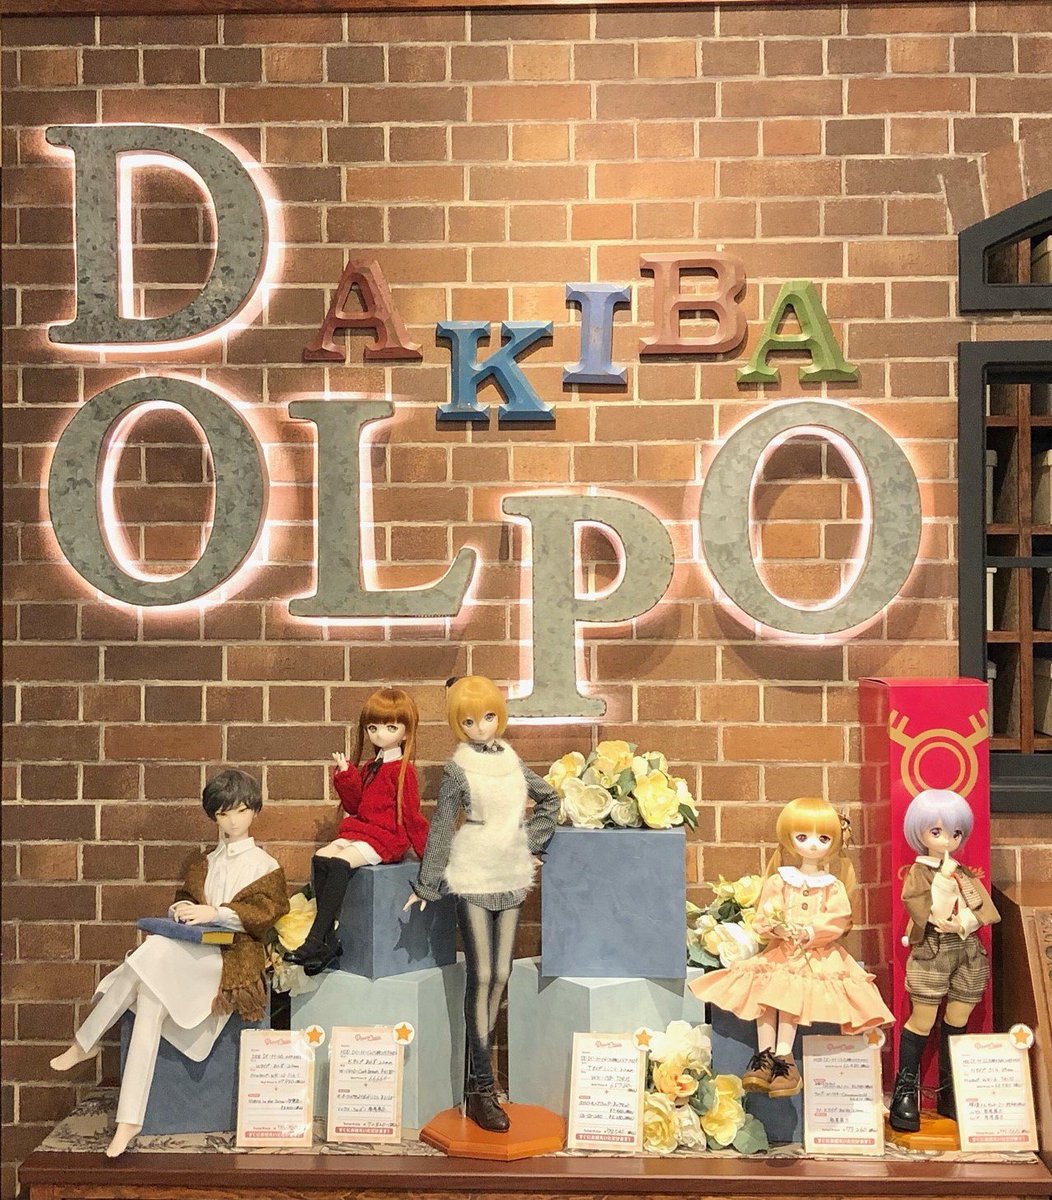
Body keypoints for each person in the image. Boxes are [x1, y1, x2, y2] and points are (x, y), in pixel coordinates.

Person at [51, 769, 288, 1157]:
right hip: (193, 953)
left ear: (255, 812)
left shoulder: (265, 865)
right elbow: (185, 898)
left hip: (232, 959)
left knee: (153, 951)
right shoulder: (204, 862)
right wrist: (182, 909)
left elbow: (266, 914)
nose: (232, 821)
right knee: (150, 996)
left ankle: (85, 1041)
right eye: (223, 813)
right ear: (213, 816)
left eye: (241, 811)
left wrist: (216, 913)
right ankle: (129, 1121)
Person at [403, 676, 558, 1133]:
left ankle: (478, 1079)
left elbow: (550, 800)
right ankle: (483, 1085)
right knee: (483, 973)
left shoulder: (512, 761)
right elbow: (440, 826)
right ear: (458, 724)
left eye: (488, 717)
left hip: (508, 871)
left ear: (499, 717)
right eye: (469, 721)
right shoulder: (457, 770)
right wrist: (427, 884)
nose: (480, 728)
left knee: (502, 973)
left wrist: (527, 841)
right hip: (472, 870)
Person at [689, 797, 894, 1099]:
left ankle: (784, 1057)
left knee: (791, 990)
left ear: (834, 842)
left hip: (816, 954)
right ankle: (764, 1056)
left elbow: (839, 918)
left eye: (823, 838)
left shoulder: (832, 886)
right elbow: (764, 915)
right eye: (803, 836)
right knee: (767, 991)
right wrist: (778, 927)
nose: (812, 845)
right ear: (790, 838)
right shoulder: (780, 881)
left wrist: (811, 931)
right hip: (782, 950)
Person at [287, 687, 427, 975]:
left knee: (340, 862)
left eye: (390, 728)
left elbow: (412, 817)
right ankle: (328, 938)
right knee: (321, 858)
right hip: (363, 831)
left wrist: (429, 856)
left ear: (405, 733)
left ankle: (316, 939)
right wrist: (346, 775)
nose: (379, 734)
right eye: (373, 728)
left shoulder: (404, 772)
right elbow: (355, 804)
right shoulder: (371, 767)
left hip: (386, 837)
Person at [889, 788, 1000, 1133]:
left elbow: (981, 909)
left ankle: (951, 1090)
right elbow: (922, 907)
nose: (947, 840)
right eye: (936, 832)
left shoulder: (962, 873)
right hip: (933, 949)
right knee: (922, 1019)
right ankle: (905, 1092)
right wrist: (943, 883)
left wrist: (963, 922)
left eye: (955, 833)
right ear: (920, 833)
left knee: (958, 1017)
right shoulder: (922, 872)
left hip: (966, 950)